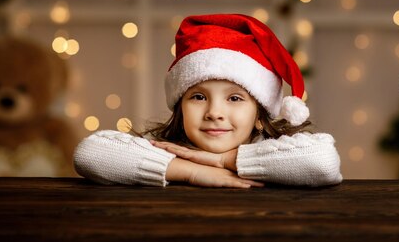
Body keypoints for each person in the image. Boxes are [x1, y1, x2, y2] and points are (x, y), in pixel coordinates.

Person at [73, 14, 342, 188]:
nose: (214, 112)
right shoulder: (169, 149)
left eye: (235, 98)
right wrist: (188, 170)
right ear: (180, 107)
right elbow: (90, 154)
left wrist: (225, 161)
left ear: (260, 115)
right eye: (199, 97)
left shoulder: (277, 150)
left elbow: (322, 162)